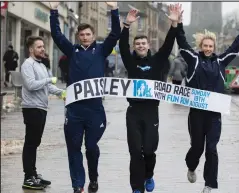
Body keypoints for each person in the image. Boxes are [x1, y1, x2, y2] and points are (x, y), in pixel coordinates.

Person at [49, 2, 121, 193]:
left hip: (95, 109)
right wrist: (53, 11)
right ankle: (78, 185)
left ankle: (94, 178)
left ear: (93, 36)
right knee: (73, 149)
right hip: (74, 110)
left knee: (91, 147)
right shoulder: (72, 51)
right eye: (81, 35)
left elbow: (115, 35)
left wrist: (114, 10)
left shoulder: (102, 50)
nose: (85, 37)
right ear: (78, 37)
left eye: (88, 34)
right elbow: (57, 35)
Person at [176, 9, 239, 193]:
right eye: (205, 46)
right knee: (197, 147)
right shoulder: (193, 59)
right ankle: (191, 166)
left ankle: (209, 184)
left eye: (211, 46)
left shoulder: (221, 61)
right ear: (201, 46)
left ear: (214, 47)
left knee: (211, 148)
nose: (208, 48)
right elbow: (182, 43)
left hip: (214, 114)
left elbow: (235, 46)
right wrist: (178, 23)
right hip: (197, 114)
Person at [119, 5, 179, 193]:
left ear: (148, 46)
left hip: (151, 112)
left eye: (143, 44)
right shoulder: (130, 62)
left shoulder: (157, 61)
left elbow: (168, 44)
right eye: (137, 44)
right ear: (135, 47)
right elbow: (122, 46)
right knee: (135, 151)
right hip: (134, 112)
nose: (140, 46)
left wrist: (174, 24)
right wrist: (127, 25)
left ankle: (149, 175)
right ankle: (137, 187)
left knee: (149, 151)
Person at [20, 36, 65, 190]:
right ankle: (28, 177)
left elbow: (49, 87)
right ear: (31, 49)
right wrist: (48, 80)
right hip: (31, 108)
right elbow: (31, 85)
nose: (43, 49)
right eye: (39, 47)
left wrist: (63, 93)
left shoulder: (42, 65)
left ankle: (33, 174)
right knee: (31, 143)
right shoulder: (28, 64)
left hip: (41, 108)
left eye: (43, 46)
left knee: (35, 142)